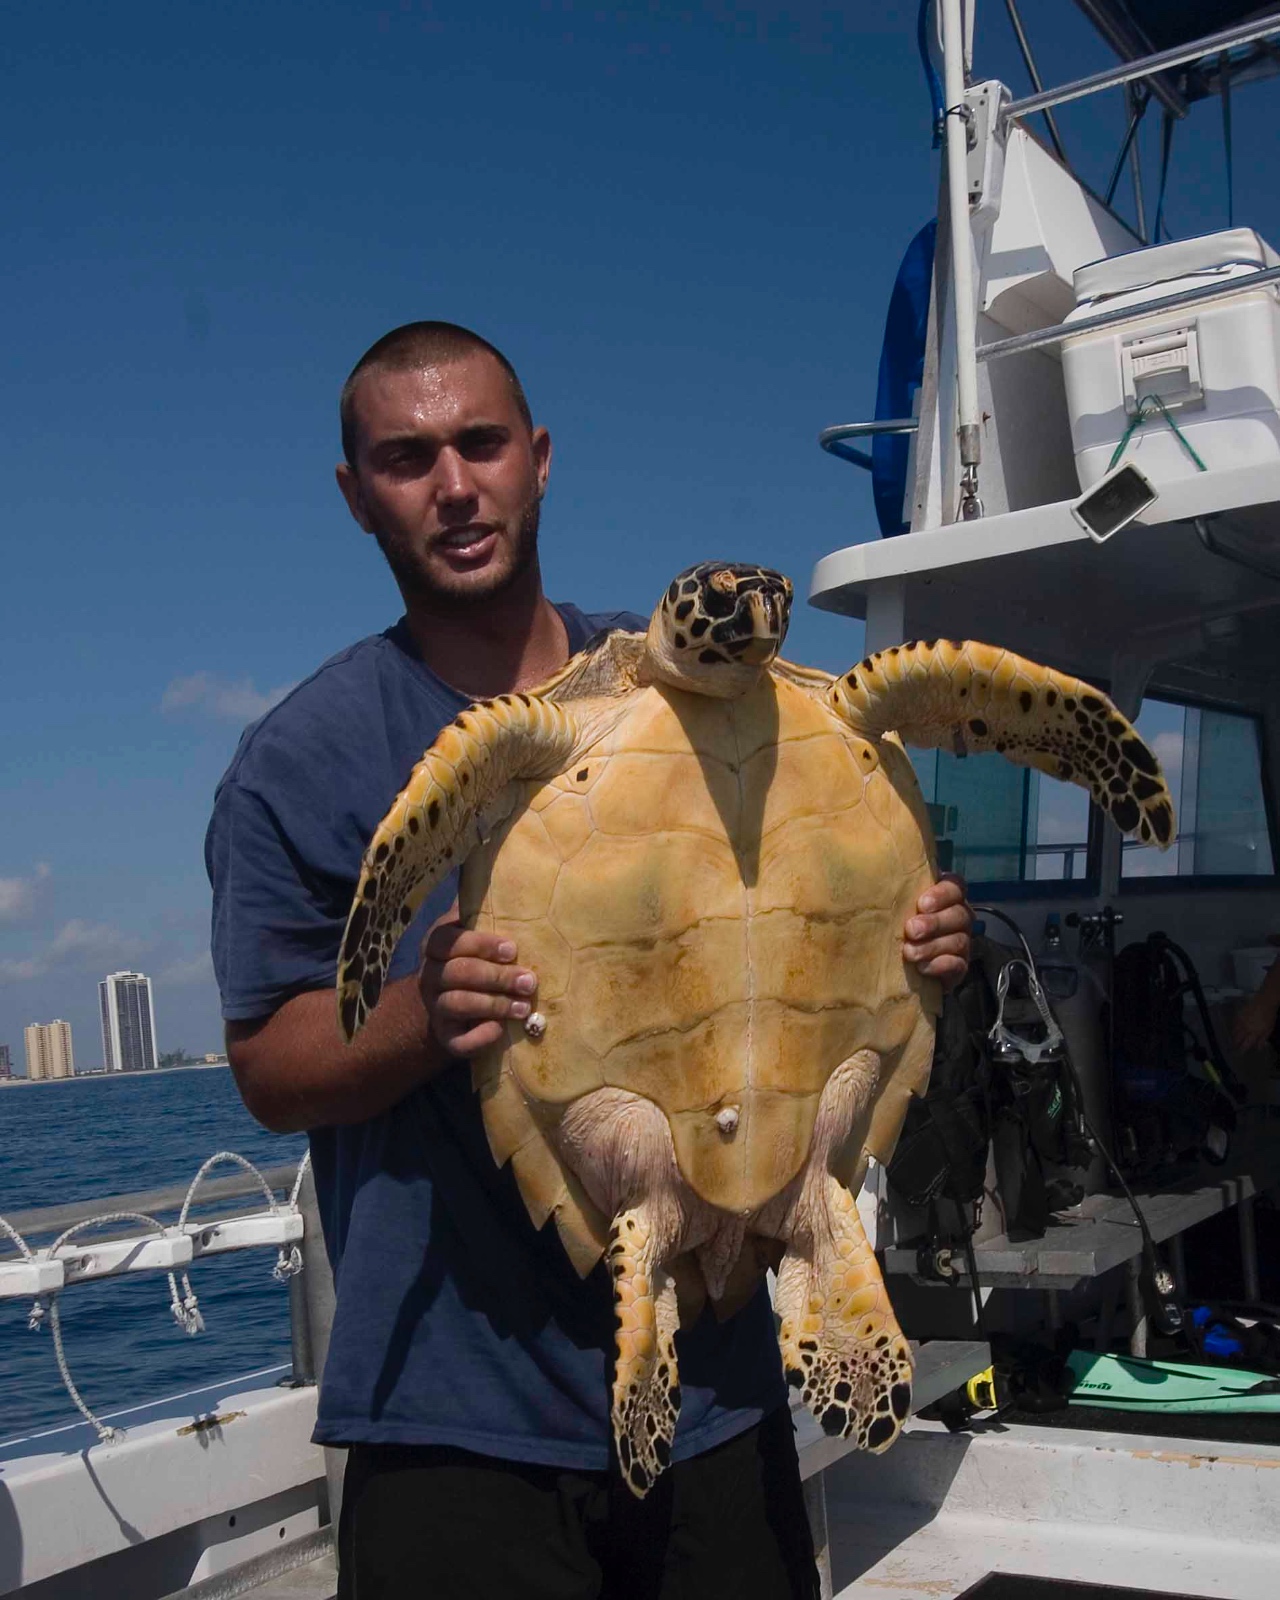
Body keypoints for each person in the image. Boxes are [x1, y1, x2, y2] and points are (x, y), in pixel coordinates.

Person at [206, 321, 973, 1600]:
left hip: (719, 1391)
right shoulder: (302, 759)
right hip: (453, 1418)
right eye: (406, 458)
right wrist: (421, 1011)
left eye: (481, 443)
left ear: (540, 459)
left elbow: (821, 862)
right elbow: (269, 1070)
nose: (454, 484)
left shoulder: (690, 680)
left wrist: (916, 945)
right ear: (355, 497)